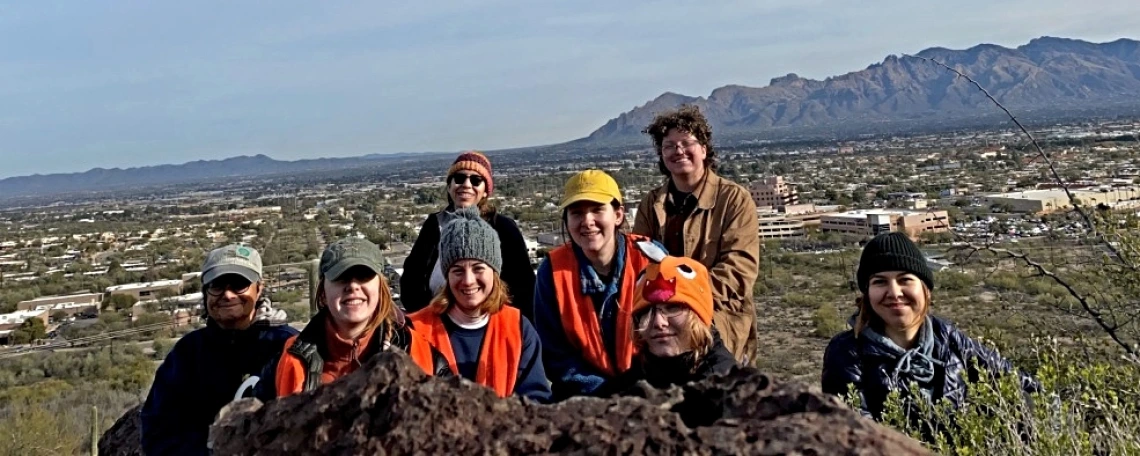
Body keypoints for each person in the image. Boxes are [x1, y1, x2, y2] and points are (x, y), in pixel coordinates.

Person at [821, 232, 1039, 422]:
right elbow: (857, 433)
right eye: (880, 282)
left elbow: (1020, 383)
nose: (894, 293)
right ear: (867, 293)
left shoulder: (947, 337)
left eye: (905, 280)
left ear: (925, 290)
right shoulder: (848, 352)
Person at [141, 244, 298, 456]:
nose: (228, 294)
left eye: (239, 285)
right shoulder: (188, 353)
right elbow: (158, 433)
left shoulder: (286, 346)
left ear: (259, 288)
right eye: (217, 285)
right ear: (205, 292)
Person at [633, 105, 760, 364]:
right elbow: (639, 265)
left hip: (718, 320)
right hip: (659, 324)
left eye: (686, 142)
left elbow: (739, 270)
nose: (678, 151)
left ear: (704, 149)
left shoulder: (734, 199)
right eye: (669, 145)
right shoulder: (652, 204)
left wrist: (687, 300)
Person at [256, 238, 451, 399]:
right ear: (323, 292)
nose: (353, 286)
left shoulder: (418, 351)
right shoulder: (289, 358)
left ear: (381, 288)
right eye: (341, 277)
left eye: (364, 276)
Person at [533, 170, 663, 399]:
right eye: (577, 213)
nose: (587, 221)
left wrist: (638, 388)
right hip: (581, 399)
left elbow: (672, 330)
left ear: (618, 215)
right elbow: (554, 354)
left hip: (651, 389)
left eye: (597, 209)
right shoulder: (552, 272)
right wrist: (606, 393)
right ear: (567, 220)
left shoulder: (651, 258)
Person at [408, 207, 551, 402]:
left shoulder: (518, 328)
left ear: (495, 272)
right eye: (457, 270)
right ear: (446, 275)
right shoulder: (414, 331)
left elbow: (536, 400)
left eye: (478, 268)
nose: (468, 280)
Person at [401, 151, 536, 320]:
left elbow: (523, 287)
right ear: (449, 186)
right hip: (434, 326)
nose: (466, 184)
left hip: (489, 327)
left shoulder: (503, 228)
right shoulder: (433, 225)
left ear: (485, 191)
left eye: (476, 180)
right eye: (459, 178)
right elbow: (411, 279)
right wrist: (425, 319)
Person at [600, 243, 737, 395]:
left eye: (672, 308)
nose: (659, 322)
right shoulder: (625, 389)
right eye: (646, 311)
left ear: (698, 315)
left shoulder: (730, 391)